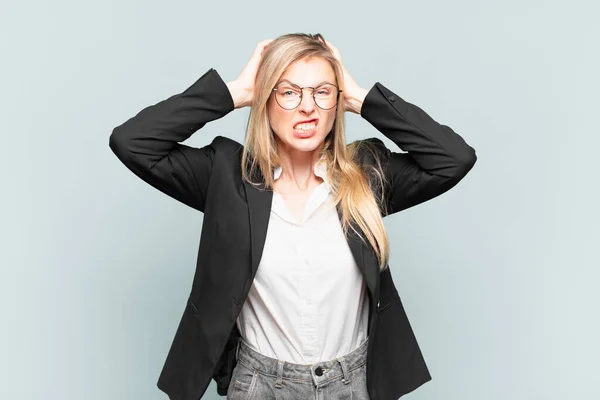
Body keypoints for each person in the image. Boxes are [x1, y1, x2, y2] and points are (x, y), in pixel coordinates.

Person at [109, 33, 476, 400]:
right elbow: (133, 142)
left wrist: (360, 98)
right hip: (260, 385)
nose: (307, 107)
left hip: (355, 385)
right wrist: (235, 93)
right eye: (289, 92)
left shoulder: (365, 175)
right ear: (265, 100)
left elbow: (453, 159)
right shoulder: (226, 177)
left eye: (322, 92)